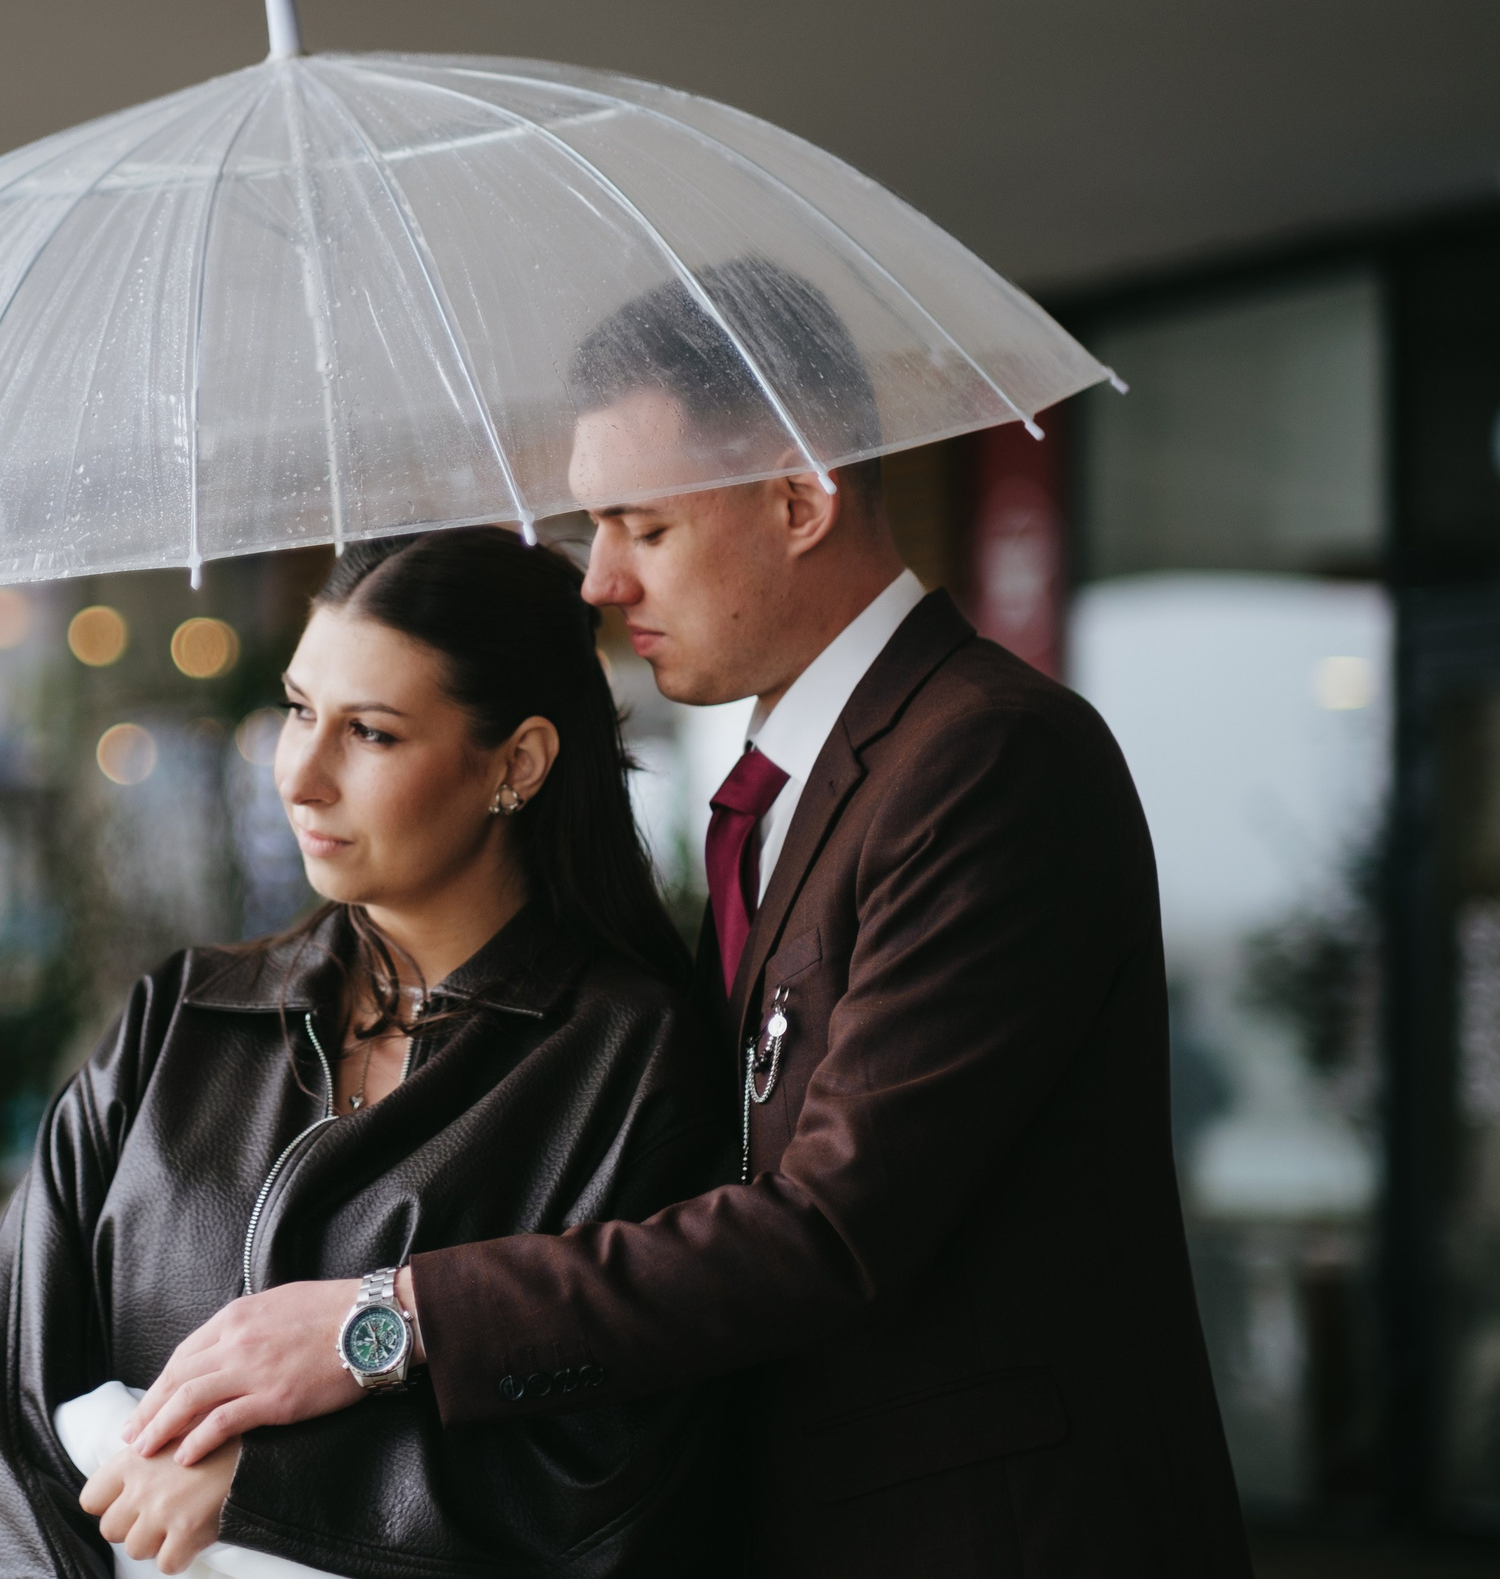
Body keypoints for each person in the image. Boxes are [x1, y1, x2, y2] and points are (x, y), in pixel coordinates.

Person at [121, 260, 1255, 1575]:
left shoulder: (989, 759)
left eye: (639, 525)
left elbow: (830, 1224)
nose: (597, 580)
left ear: (798, 494)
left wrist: (384, 1318)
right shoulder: (788, 784)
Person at [0, 530, 730, 1578]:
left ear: (517, 764)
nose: (300, 775)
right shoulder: (182, 1021)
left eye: (374, 734)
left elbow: (610, 1484)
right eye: (301, 710)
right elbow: (4, 1418)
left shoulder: (627, 1065)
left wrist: (270, 1494)